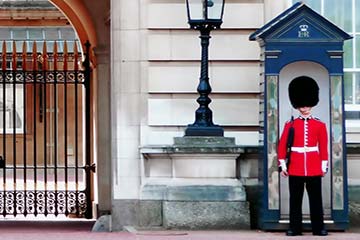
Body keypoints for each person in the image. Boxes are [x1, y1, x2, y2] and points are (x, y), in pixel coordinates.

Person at [278, 76, 328, 236]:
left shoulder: (320, 125)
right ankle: (295, 227)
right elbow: (282, 145)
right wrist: (283, 165)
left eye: (306, 105)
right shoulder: (290, 124)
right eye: (301, 105)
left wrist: (323, 166)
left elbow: (323, 147)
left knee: (316, 200)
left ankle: (318, 228)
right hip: (296, 166)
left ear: (312, 104)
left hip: (313, 166)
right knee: (295, 200)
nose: (304, 108)